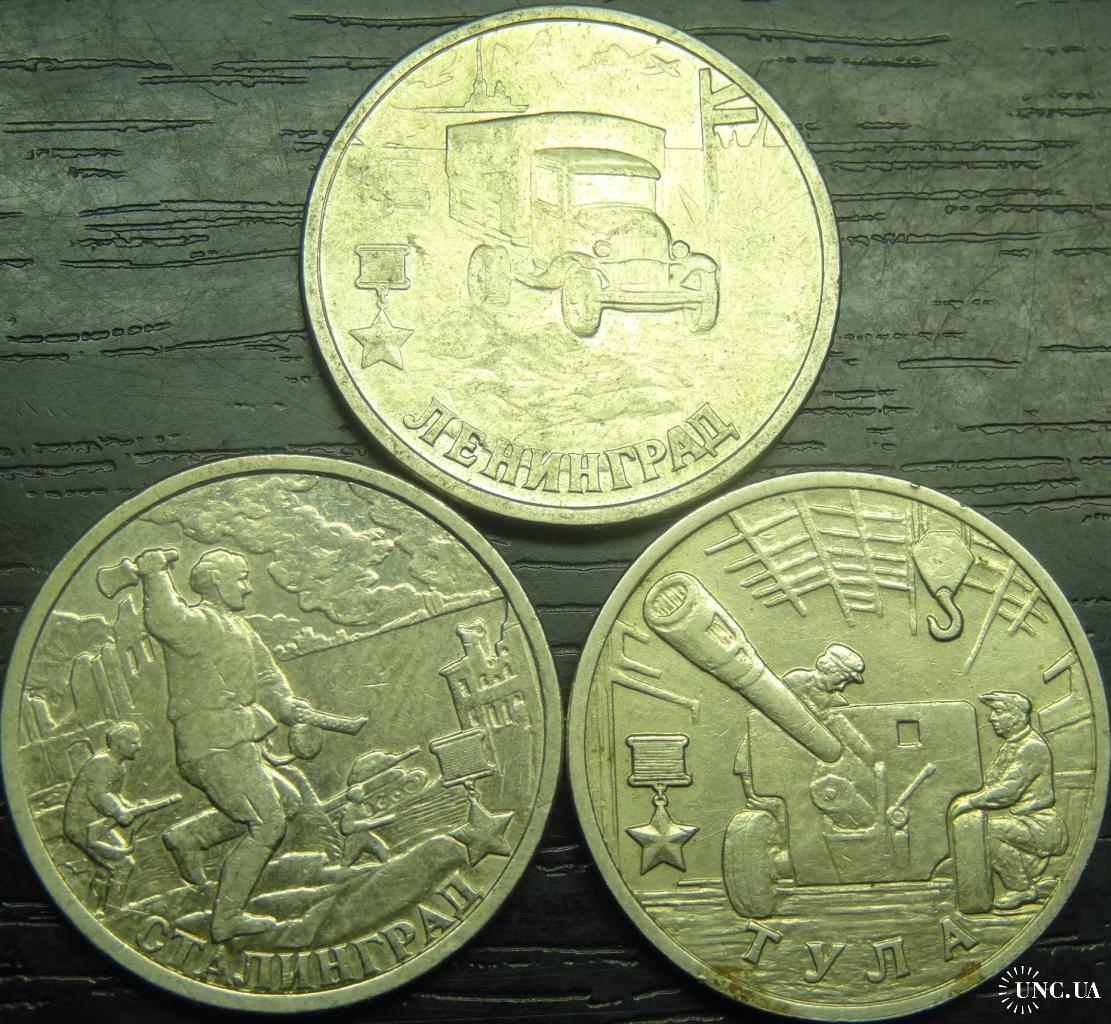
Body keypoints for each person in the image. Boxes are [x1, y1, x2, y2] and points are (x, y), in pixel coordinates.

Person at [134, 546, 316, 942]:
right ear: (216, 583)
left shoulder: (242, 629)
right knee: (268, 824)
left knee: (287, 802)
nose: (248, 588)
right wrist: (154, 573)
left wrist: (290, 706)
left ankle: (189, 838)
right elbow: (164, 618)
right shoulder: (197, 623)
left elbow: (268, 678)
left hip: (236, 739)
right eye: (241, 579)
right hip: (211, 742)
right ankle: (226, 921)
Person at [950, 691, 1067, 910]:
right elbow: (991, 784)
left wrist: (971, 802)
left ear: (1016, 716)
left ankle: (1021, 887)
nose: (991, 718)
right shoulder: (1011, 745)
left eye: (998, 712)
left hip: (1041, 825)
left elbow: (1008, 791)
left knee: (983, 832)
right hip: (1023, 823)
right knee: (974, 828)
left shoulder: (1031, 747)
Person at [63, 720, 144, 911]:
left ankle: (94, 909)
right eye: (134, 742)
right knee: (123, 865)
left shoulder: (118, 766)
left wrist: (130, 807)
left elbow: (113, 795)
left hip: (95, 826)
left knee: (105, 868)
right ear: (119, 743)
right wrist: (119, 812)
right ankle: (112, 913)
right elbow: (99, 794)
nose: (139, 746)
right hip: (84, 827)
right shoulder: (103, 763)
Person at [782, 643, 866, 716]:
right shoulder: (796, 679)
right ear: (828, 668)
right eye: (841, 679)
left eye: (847, 682)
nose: (841, 687)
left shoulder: (838, 703)